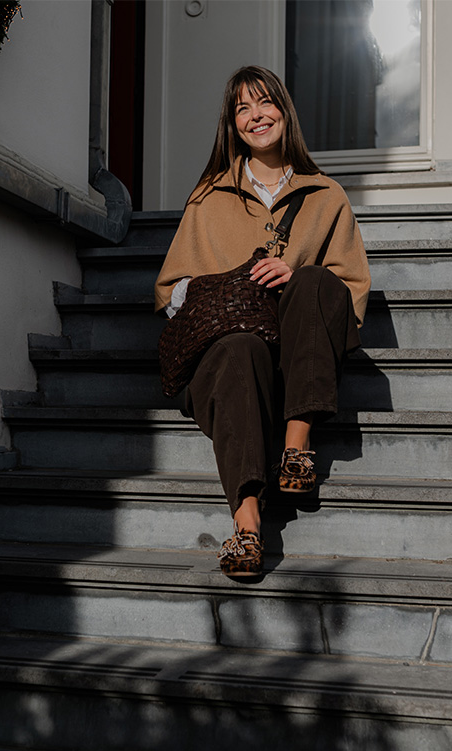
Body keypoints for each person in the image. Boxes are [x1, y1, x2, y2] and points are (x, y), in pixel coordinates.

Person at [155, 66, 370, 578]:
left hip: (302, 357)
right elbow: (169, 292)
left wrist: (294, 277)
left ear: (284, 111)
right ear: (232, 124)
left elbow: (351, 293)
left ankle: (296, 448)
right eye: (242, 108)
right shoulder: (208, 198)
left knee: (314, 279)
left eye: (265, 102)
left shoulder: (326, 195)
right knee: (239, 349)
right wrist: (230, 285)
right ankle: (247, 525)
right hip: (229, 362)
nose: (256, 115)